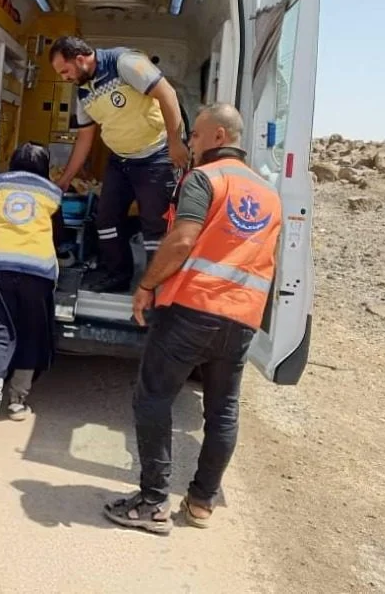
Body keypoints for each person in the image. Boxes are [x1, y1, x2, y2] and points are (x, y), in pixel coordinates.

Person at [102, 103, 282, 535]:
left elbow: (182, 241)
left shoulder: (205, 179)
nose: (191, 143)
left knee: (153, 398)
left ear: (219, 136)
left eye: (196, 135)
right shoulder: (269, 194)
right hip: (242, 318)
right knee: (223, 410)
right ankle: (201, 503)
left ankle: (152, 502)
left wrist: (147, 285)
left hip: (193, 309)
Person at [48, 37, 190, 292]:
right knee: (106, 219)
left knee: (155, 225)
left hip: (155, 156)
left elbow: (167, 93)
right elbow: (85, 138)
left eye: (65, 71)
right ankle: (118, 275)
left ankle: (155, 287)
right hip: (120, 160)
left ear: (80, 60)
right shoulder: (83, 92)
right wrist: (65, 179)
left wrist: (175, 141)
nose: (64, 78)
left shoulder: (124, 63)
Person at [0, 142, 62, 442]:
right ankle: (17, 401)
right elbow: (58, 234)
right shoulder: (52, 193)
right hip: (38, 271)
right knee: (31, 332)